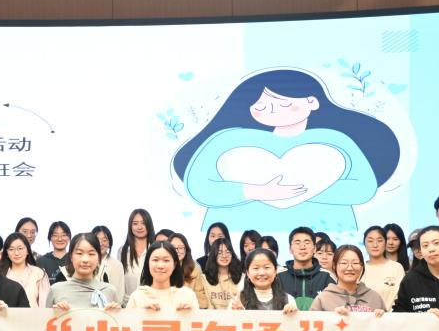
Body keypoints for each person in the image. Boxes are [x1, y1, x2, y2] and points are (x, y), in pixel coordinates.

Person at [171, 69, 399, 232]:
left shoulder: (335, 139)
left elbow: (363, 188)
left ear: (312, 101)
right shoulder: (227, 139)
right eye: (261, 105)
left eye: (283, 103)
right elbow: (199, 186)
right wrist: (255, 191)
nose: (271, 110)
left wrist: (301, 188)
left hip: (328, 233)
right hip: (237, 235)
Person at [311, 245, 386, 315]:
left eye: (355, 263)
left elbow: (388, 323)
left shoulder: (374, 298)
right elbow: (311, 322)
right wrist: (333, 317)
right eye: (344, 263)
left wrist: (382, 316)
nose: (350, 268)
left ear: (362, 266)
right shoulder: (323, 298)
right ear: (334, 266)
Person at [277, 227, 333, 310]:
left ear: (314, 249)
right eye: (297, 243)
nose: (302, 247)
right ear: (290, 249)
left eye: (307, 242)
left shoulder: (326, 276)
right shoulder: (278, 276)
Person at [231, 248, 297, 313]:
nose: (262, 273)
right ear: (248, 273)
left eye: (266, 267)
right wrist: (239, 313)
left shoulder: (288, 300)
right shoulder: (238, 301)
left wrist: (291, 313)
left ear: (275, 271)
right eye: (256, 268)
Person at [0, 232, 50, 308]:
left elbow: (45, 305)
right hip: (8, 315)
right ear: (6, 253)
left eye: (20, 248)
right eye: (11, 249)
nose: (16, 253)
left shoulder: (39, 273)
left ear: (28, 250)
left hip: (34, 315)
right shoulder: (0, 274)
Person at [359, 226, 404, 310]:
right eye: (370, 241)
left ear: (385, 243)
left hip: (392, 316)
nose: (375, 245)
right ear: (364, 243)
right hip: (364, 316)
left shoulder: (396, 268)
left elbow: (401, 297)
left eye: (379, 241)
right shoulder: (359, 268)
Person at [119, 209, 155, 304]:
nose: (139, 227)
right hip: (127, 304)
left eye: (143, 223)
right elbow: (120, 279)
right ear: (130, 226)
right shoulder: (122, 251)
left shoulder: (156, 249)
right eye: (135, 223)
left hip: (151, 303)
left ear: (149, 225)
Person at [200, 238, 243, 309]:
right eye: (219, 253)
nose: (224, 256)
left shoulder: (242, 277)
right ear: (213, 255)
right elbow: (207, 306)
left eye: (228, 252)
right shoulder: (204, 278)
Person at [170, 233, 208, 308]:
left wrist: (191, 304)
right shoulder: (162, 266)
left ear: (186, 249)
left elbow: (201, 297)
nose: (177, 251)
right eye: (173, 248)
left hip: (189, 309)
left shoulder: (194, 268)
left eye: (181, 248)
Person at [92, 225, 126, 305]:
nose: (101, 243)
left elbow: (118, 296)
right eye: (97, 240)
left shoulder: (116, 265)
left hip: (110, 308)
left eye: (105, 240)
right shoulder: (86, 262)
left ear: (109, 243)